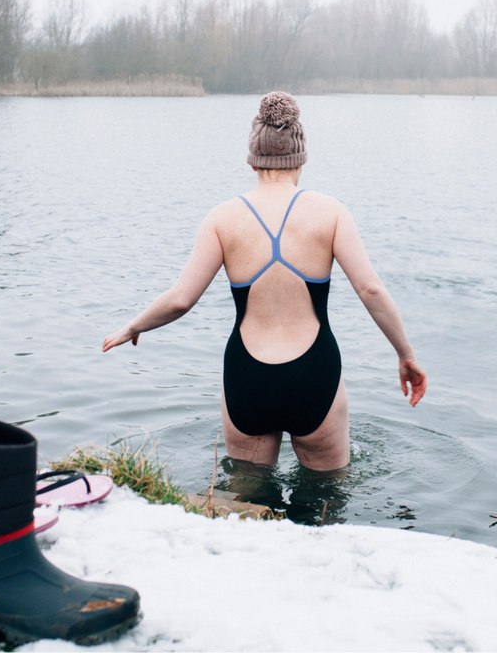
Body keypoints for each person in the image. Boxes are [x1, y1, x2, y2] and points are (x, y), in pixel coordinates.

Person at [102, 92, 427, 472]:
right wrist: (405, 355)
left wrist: (134, 325)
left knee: (246, 500)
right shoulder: (330, 213)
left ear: (252, 160)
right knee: (326, 502)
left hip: (247, 376)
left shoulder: (222, 218)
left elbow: (180, 299)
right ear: (300, 157)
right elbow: (371, 289)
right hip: (314, 373)